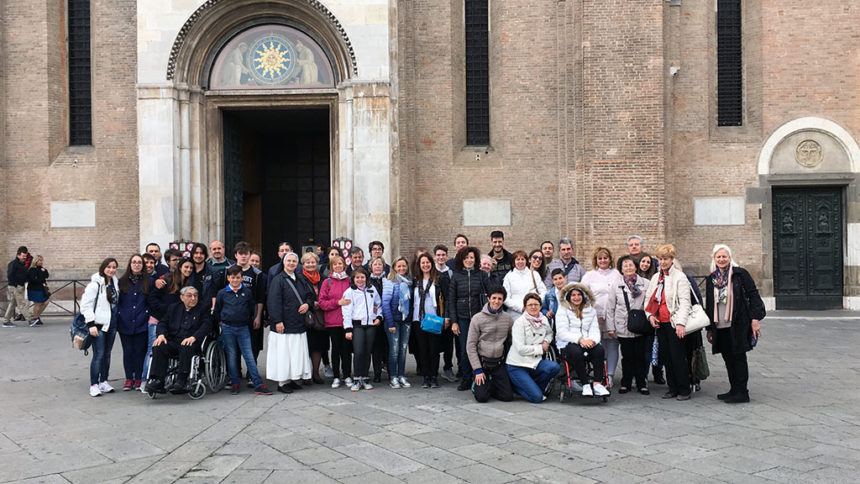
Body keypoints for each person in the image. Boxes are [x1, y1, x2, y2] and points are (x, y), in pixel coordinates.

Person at [705, 244, 766, 404]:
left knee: (738, 357)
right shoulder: (712, 278)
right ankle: (734, 389)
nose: (721, 259)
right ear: (714, 259)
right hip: (720, 325)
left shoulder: (740, 274)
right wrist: (710, 328)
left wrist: (755, 319)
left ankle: (742, 392)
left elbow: (753, 296)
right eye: (718, 257)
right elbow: (710, 305)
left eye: (724, 256)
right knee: (728, 358)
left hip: (738, 323)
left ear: (730, 258)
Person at [213, 265, 273, 395]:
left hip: (243, 328)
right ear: (228, 278)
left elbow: (252, 308)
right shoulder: (222, 293)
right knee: (232, 355)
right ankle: (235, 382)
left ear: (242, 278)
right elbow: (217, 310)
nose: (235, 280)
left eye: (238, 277)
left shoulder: (247, 292)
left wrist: (252, 318)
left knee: (249, 356)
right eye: (232, 277)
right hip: (228, 327)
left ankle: (257, 383)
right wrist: (221, 322)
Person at [644, 244, 693, 401]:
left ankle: (684, 389)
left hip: (674, 322)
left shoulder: (680, 277)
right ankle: (672, 388)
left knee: (678, 357)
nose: (662, 262)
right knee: (666, 357)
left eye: (665, 259)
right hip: (661, 323)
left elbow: (685, 302)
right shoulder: (655, 277)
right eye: (660, 259)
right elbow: (648, 299)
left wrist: (681, 323)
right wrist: (650, 316)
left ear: (672, 259)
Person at [144, 286, 212, 394]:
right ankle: (158, 380)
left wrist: (194, 337)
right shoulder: (173, 308)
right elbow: (162, 322)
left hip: (192, 342)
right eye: (189, 296)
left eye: (195, 295)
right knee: (158, 346)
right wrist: (161, 335)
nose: (193, 298)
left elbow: (206, 325)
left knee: (186, 346)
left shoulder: (203, 308)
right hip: (174, 340)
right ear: (182, 297)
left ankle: (182, 381)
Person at [267, 252, 314, 393]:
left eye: (294, 261)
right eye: (289, 261)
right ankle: (282, 382)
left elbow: (310, 295)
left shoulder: (300, 278)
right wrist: (278, 321)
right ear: (283, 262)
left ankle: (292, 378)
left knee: (295, 353)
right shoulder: (278, 279)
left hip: (298, 323)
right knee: (284, 354)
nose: (292, 263)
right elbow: (273, 302)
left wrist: (307, 304)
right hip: (284, 324)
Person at [555, 283, 610, 397]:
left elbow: (594, 329)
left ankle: (597, 384)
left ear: (583, 296)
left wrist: (593, 341)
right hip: (569, 342)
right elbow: (562, 332)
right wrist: (580, 340)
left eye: (579, 294)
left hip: (588, 341)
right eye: (573, 295)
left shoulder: (591, 310)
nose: (576, 297)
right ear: (569, 297)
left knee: (599, 350)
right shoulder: (563, 310)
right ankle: (585, 384)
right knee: (576, 352)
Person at [447, 246, 490, 391]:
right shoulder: (456, 276)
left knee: (481, 348)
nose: (469, 260)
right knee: (466, 349)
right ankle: (466, 378)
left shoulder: (482, 275)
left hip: (480, 317)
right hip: (463, 318)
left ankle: (481, 375)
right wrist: (454, 321)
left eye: (471, 257)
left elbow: (490, 294)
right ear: (461, 259)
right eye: (466, 258)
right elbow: (451, 300)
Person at [606, 255, 650, 394]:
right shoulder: (616, 285)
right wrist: (610, 327)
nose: (628, 268)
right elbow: (610, 307)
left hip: (641, 324)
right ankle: (626, 382)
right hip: (623, 324)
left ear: (636, 267)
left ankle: (641, 382)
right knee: (627, 356)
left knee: (640, 355)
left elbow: (650, 304)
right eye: (625, 266)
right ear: (621, 269)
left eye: (631, 265)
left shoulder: (646, 284)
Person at [506, 293, 560, 403]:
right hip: (517, 365)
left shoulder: (543, 319)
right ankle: (517, 387)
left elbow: (549, 334)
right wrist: (541, 348)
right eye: (530, 305)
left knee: (554, 367)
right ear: (525, 307)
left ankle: (533, 388)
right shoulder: (519, 323)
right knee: (537, 398)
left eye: (536, 304)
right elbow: (520, 348)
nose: (533, 307)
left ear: (540, 306)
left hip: (534, 363)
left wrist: (546, 341)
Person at [581, 247, 623, 387]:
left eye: (605, 258)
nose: (603, 261)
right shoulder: (589, 276)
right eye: (600, 258)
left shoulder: (617, 274)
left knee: (612, 344)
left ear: (610, 259)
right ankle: (599, 373)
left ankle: (610, 374)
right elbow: (583, 295)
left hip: (613, 315)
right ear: (596, 260)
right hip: (595, 316)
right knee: (597, 345)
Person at [466, 285, 514, 403]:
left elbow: (512, 339)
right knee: (482, 398)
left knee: (507, 396)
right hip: (483, 363)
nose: (496, 301)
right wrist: (477, 370)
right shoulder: (477, 318)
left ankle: (490, 385)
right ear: (488, 298)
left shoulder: (508, 319)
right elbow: (470, 346)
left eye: (499, 299)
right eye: (494, 298)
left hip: (498, 363)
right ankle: (479, 385)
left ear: (503, 301)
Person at [81, 258, 120, 397]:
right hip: (98, 325)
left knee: (107, 355)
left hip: (112, 324)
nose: (111, 270)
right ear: (103, 268)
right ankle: (94, 384)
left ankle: (103, 381)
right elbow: (85, 305)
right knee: (99, 354)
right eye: (109, 267)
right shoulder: (95, 285)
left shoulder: (115, 283)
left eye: (114, 267)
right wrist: (90, 324)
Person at [341, 268, 383, 391]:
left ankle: (365, 378)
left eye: (362, 277)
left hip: (370, 325)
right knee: (359, 352)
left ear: (366, 278)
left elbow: (378, 305)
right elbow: (346, 311)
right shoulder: (350, 292)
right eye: (357, 277)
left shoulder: (372, 289)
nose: (360, 280)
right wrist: (348, 329)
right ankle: (357, 378)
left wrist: (379, 317)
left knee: (367, 352)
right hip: (357, 326)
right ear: (353, 279)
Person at [410, 252, 447, 388]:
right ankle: (425, 376)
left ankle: (433, 376)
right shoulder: (415, 281)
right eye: (422, 263)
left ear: (432, 264)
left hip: (433, 319)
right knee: (422, 349)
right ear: (419, 265)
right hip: (418, 319)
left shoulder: (439, 279)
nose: (425, 265)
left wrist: (446, 317)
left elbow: (446, 298)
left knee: (433, 349)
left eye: (427, 262)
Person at [116, 255, 151, 391]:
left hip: (142, 321)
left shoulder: (148, 281)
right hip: (125, 321)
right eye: (134, 262)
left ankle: (138, 377)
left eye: (139, 263)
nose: (136, 265)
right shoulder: (121, 282)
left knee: (139, 351)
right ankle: (129, 378)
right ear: (130, 264)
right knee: (128, 351)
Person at [318, 255, 353, 388]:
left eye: (340, 263)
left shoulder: (349, 281)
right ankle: (336, 376)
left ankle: (347, 375)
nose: (338, 266)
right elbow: (322, 302)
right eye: (335, 264)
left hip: (347, 321)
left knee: (347, 350)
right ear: (331, 267)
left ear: (344, 265)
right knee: (336, 349)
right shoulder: (327, 282)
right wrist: (337, 302)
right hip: (333, 321)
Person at [301, 251, 330, 384]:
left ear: (317, 263)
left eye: (313, 262)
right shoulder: (300, 278)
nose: (311, 264)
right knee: (306, 346)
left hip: (321, 316)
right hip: (305, 316)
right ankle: (305, 374)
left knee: (319, 346)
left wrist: (322, 302)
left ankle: (315, 373)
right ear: (303, 264)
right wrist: (311, 303)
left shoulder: (324, 278)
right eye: (308, 262)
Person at [384, 257, 412, 388]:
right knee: (394, 350)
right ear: (394, 267)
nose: (401, 269)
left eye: (404, 266)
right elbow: (385, 304)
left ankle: (401, 374)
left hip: (405, 321)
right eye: (399, 266)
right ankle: (393, 376)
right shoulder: (390, 282)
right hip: (393, 321)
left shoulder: (409, 282)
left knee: (403, 349)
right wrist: (390, 323)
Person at [433, 245, 457, 383]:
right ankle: (433, 370)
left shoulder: (450, 273)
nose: (441, 257)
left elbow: (450, 296)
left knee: (448, 344)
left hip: (447, 312)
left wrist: (448, 316)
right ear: (435, 256)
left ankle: (448, 368)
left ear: (446, 257)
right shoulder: (431, 271)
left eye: (443, 255)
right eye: (438, 255)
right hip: (434, 314)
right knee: (434, 343)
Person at [503, 250, 547, 320]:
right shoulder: (508, 277)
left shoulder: (534, 274)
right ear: (514, 262)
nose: (520, 262)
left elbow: (543, 291)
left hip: (534, 313)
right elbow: (505, 297)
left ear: (526, 261)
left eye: (522, 259)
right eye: (518, 259)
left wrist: (535, 304)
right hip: (515, 315)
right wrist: (521, 308)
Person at [366, 256, 390, 382]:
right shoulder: (367, 281)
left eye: (380, 264)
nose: (378, 266)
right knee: (376, 348)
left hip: (388, 317)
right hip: (374, 319)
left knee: (388, 346)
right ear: (371, 267)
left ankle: (391, 372)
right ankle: (377, 373)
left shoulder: (388, 279)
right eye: (375, 264)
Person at [4, 246, 31, 327]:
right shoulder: (13, 264)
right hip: (14, 286)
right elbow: (10, 275)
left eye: (25, 256)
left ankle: (6, 321)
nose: (24, 258)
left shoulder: (21, 264)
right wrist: (16, 285)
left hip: (19, 286)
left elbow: (23, 275)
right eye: (23, 256)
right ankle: (30, 319)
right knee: (21, 303)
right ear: (18, 255)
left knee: (13, 304)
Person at [26, 255, 50, 326]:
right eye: (40, 260)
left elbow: (47, 275)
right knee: (38, 303)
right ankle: (36, 318)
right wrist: (41, 278)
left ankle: (36, 317)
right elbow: (33, 279)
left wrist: (44, 271)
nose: (41, 262)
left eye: (42, 260)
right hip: (34, 289)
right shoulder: (32, 269)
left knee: (46, 302)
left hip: (41, 289)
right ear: (36, 261)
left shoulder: (42, 269)